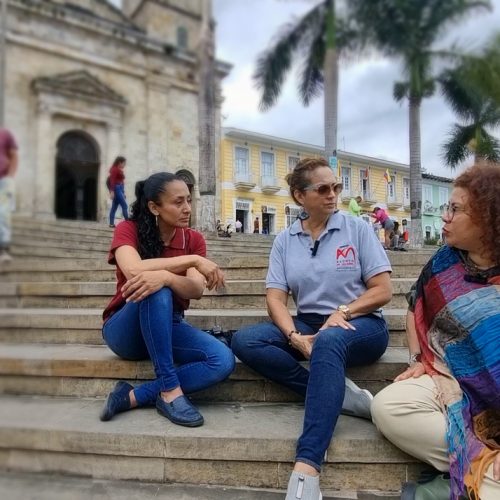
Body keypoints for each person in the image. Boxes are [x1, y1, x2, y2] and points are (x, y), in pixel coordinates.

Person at [231, 157, 393, 500]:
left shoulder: (358, 229)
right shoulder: (285, 240)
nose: (332, 194)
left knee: (330, 340)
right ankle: (335, 392)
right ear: (298, 195)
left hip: (361, 323)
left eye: (335, 187)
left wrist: (343, 312)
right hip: (307, 322)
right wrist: (293, 336)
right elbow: (275, 299)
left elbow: (383, 290)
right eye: (323, 189)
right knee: (246, 340)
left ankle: (307, 467)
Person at [371, 164, 500, 500]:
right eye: (447, 207)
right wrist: (416, 358)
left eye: (455, 210)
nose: (445, 216)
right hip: (450, 377)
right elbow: (416, 305)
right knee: (389, 407)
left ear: (488, 218)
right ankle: (480, 464)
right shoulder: (445, 261)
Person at [100, 172, 235, 427]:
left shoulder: (193, 238)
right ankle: (170, 390)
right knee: (155, 286)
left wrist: (168, 277)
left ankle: (132, 396)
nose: (187, 209)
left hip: (167, 325)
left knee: (222, 360)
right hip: (124, 330)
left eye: (189, 201)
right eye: (178, 202)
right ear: (154, 207)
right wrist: (192, 261)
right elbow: (134, 270)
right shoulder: (128, 229)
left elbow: (195, 289)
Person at [0, 127, 18, 263]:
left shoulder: (5, 133)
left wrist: (10, 178)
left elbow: (14, 155)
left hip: (3, 180)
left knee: (3, 213)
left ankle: (3, 249)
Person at [108, 156, 129, 228]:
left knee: (114, 207)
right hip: (117, 188)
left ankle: (111, 223)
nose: (124, 165)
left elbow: (121, 181)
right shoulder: (114, 169)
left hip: (120, 189)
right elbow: (112, 180)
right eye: (124, 163)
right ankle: (128, 223)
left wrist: (123, 192)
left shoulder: (118, 170)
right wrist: (112, 191)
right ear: (120, 162)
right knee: (124, 205)